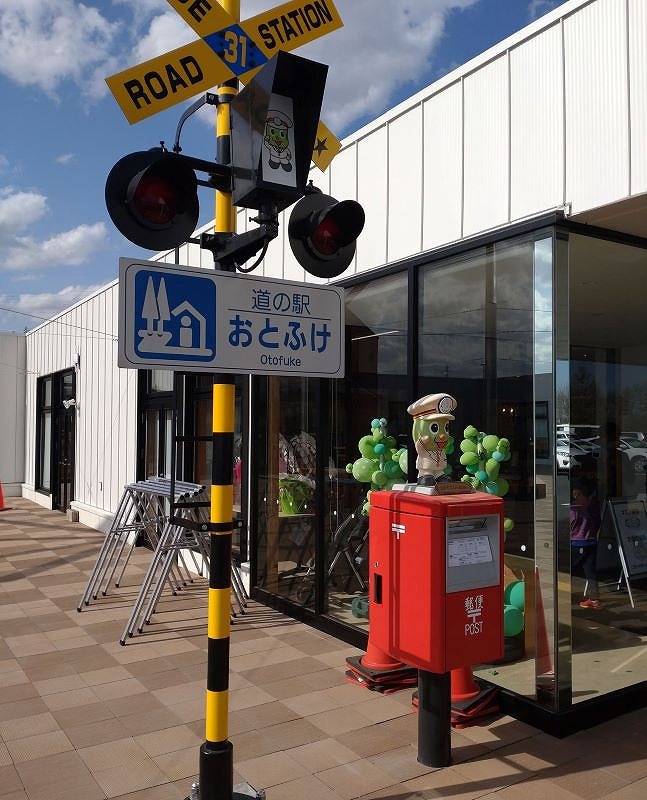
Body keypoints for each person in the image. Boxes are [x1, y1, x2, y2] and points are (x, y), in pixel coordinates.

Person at [570, 476, 602, 608]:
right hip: (591, 542)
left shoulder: (576, 507)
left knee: (568, 569)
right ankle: (594, 599)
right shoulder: (594, 505)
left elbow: (572, 523)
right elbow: (598, 522)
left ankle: (564, 596)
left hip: (577, 542)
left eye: (576, 492)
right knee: (590, 572)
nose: (574, 494)